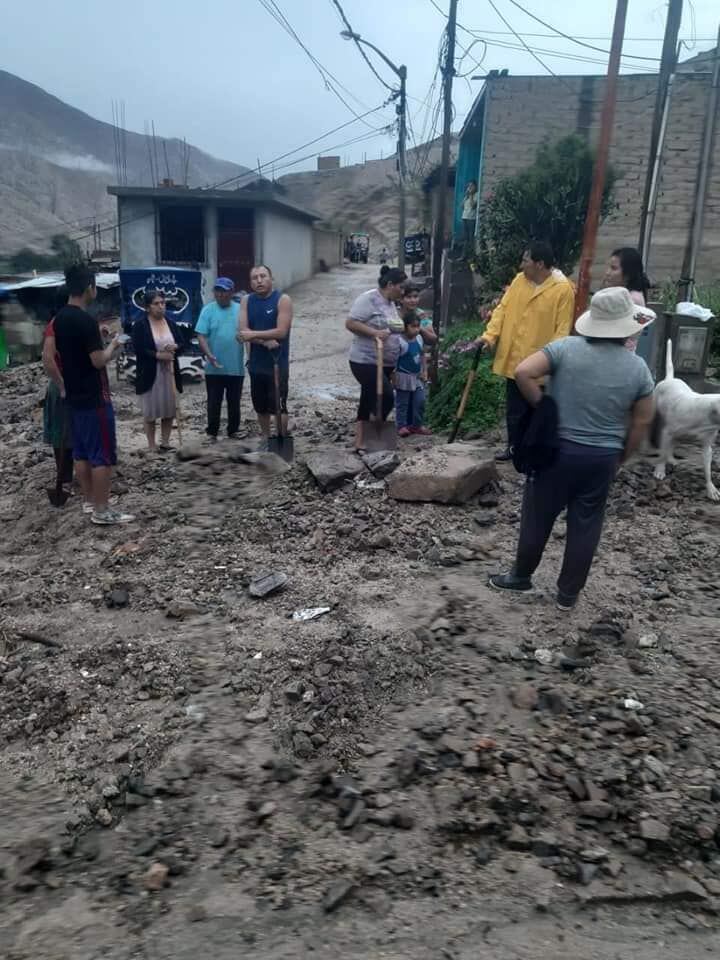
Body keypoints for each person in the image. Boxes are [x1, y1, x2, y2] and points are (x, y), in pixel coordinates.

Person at [489, 287, 655, 611]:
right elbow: (641, 423)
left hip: (556, 452)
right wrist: (622, 456)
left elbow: (523, 372)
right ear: (625, 326)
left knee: (538, 515)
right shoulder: (638, 369)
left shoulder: (565, 349)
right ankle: (567, 596)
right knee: (586, 523)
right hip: (602, 458)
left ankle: (520, 577)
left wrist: (544, 407)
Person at [474, 241, 574, 462]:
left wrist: (554, 360)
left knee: (536, 408)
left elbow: (562, 329)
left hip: (540, 363)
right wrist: (489, 336)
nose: (521, 265)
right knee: (515, 410)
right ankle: (514, 448)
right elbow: (502, 309)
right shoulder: (520, 281)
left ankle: (534, 450)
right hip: (514, 357)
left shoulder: (562, 289)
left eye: (525, 260)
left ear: (539, 264)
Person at [53, 264, 133, 525]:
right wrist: (114, 345)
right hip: (94, 397)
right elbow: (98, 361)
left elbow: (71, 349)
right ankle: (102, 510)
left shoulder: (61, 318)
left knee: (82, 453)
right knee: (103, 455)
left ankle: (89, 502)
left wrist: (98, 335)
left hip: (74, 395)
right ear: (89, 287)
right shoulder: (85, 320)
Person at [346, 265, 407, 453]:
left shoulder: (391, 304)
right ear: (390, 284)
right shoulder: (368, 299)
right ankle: (372, 432)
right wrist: (374, 333)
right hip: (365, 360)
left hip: (385, 361)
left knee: (368, 398)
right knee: (387, 397)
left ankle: (362, 440)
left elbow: (393, 327)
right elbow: (351, 323)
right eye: (401, 287)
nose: (403, 291)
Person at [238, 265, 293, 447]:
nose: (259, 280)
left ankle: (281, 440)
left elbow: (281, 332)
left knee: (279, 406)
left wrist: (253, 335)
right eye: (254, 278)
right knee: (260, 406)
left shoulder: (282, 300)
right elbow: (243, 331)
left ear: (271, 278)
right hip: (256, 363)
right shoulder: (247, 300)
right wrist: (262, 341)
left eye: (263, 276)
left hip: (277, 363)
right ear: (250, 282)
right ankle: (266, 438)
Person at [131, 290, 184, 452]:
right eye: (156, 304)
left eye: (163, 303)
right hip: (150, 373)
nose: (161, 307)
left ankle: (166, 442)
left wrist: (175, 347)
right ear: (148, 307)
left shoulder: (171, 323)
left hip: (169, 373)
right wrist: (158, 355)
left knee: (169, 409)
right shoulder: (140, 325)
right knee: (151, 411)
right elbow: (139, 348)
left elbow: (182, 343)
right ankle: (152, 445)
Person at [196, 277, 244, 441]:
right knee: (213, 401)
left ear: (231, 292)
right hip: (213, 366)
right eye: (218, 290)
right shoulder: (207, 310)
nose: (221, 294)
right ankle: (212, 432)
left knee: (234, 401)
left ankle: (233, 430)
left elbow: (248, 333)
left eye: (224, 291)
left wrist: (250, 357)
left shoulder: (240, 310)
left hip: (235, 366)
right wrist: (209, 354)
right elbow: (201, 335)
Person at [41, 285, 74, 496]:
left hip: (67, 383)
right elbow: (48, 360)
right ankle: (64, 479)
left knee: (68, 433)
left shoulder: (64, 322)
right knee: (62, 434)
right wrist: (62, 385)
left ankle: (67, 478)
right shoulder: (56, 324)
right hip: (61, 384)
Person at [602, 247, 652, 352]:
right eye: (608, 267)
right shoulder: (622, 293)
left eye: (613, 268)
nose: (607, 272)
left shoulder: (632, 299)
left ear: (628, 274)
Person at [395, 311, 431, 437]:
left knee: (420, 401)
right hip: (403, 377)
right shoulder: (400, 342)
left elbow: (422, 356)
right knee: (402, 403)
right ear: (405, 327)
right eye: (413, 326)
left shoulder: (419, 339)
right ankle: (401, 426)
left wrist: (424, 371)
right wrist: (393, 377)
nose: (416, 330)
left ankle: (417, 425)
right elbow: (393, 360)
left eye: (418, 326)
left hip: (417, 377)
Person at [461, 181, 478, 258]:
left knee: (471, 238)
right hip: (464, 217)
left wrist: (471, 195)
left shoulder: (476, 195)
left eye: (471, 186)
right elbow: (462, 206)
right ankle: (464, 255)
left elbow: (473, 206)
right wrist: (466, 196)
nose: (470, 187)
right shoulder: (467, 196)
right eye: (469, 186)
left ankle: (471, 256)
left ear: (475, 187)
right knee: (465, 238)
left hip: (471, 219)